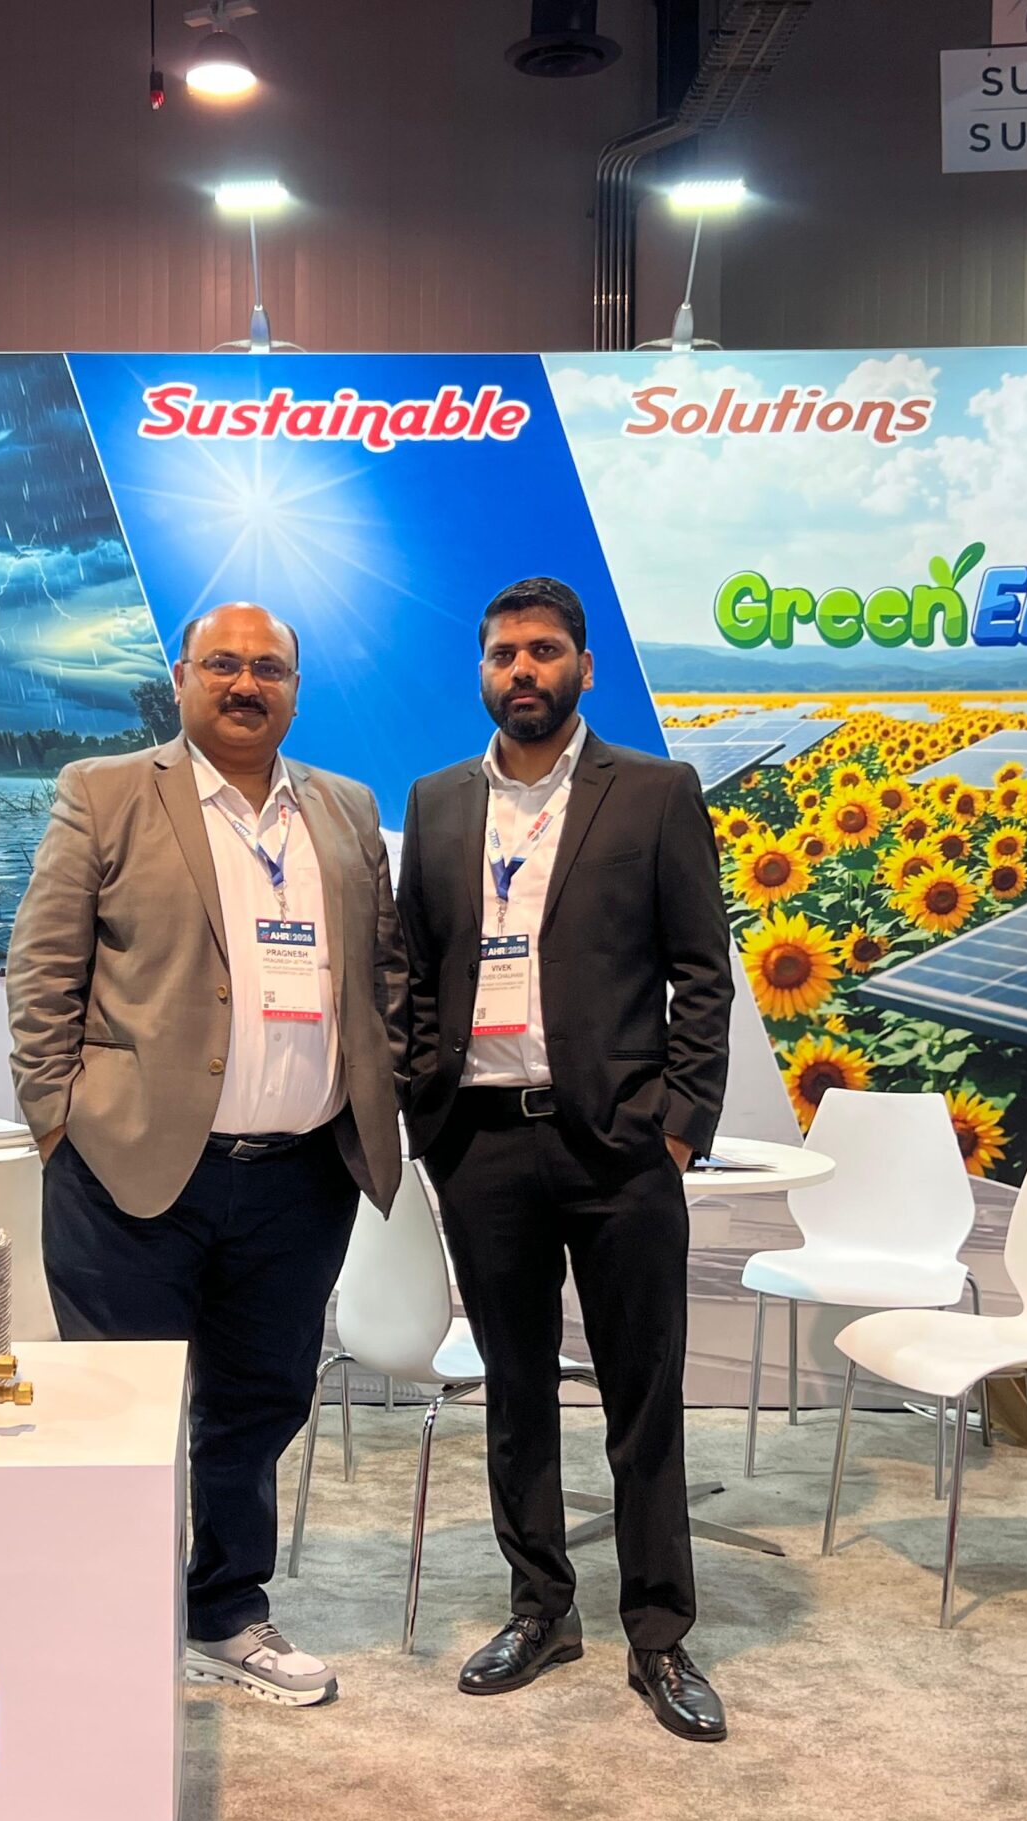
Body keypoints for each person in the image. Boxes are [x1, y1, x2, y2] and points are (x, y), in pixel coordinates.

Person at [5, 601, 407, 1709]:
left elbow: (385, 973)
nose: (245, 684)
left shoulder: (344, 808)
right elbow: (41, 969)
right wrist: (58, 1118)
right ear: (180, 679)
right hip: (129, 1169)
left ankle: (225, 1610)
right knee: (118, 1406)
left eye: (268, 668)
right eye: (221, 664)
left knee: (259, 1403)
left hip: (299, 1176)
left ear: (295, 690)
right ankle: (107, 1624)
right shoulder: (105, 792)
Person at [396, 576, 735, 1743]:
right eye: (502, 655)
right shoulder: (439, 803)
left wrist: (678, 1123)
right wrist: (426, 1109)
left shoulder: (653, 792)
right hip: (481, 1142)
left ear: (583, 667)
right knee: (515, 1390)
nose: (522, 671)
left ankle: (660, 1633)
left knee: (643, 1394)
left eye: (542, 651)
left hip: (618, 1147)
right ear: (482, 673)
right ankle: (540, 1608)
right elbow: (411, 967)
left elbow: (702, 970)